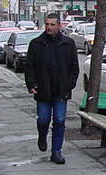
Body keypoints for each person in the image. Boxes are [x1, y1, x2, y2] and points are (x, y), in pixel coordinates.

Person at [25, 13, 79, 164]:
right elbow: (29, 67)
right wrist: (31, 84)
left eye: (52, 25)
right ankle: (42, 135)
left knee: (60, 120)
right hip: (43, 89)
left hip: (61, 90)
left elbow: (74, 68)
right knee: (43, 119)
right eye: (47, 24)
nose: (49, 27)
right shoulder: (36, 44)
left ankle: (56, 151)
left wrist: (70, 84)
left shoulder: (68, 44)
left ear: (59, 26)